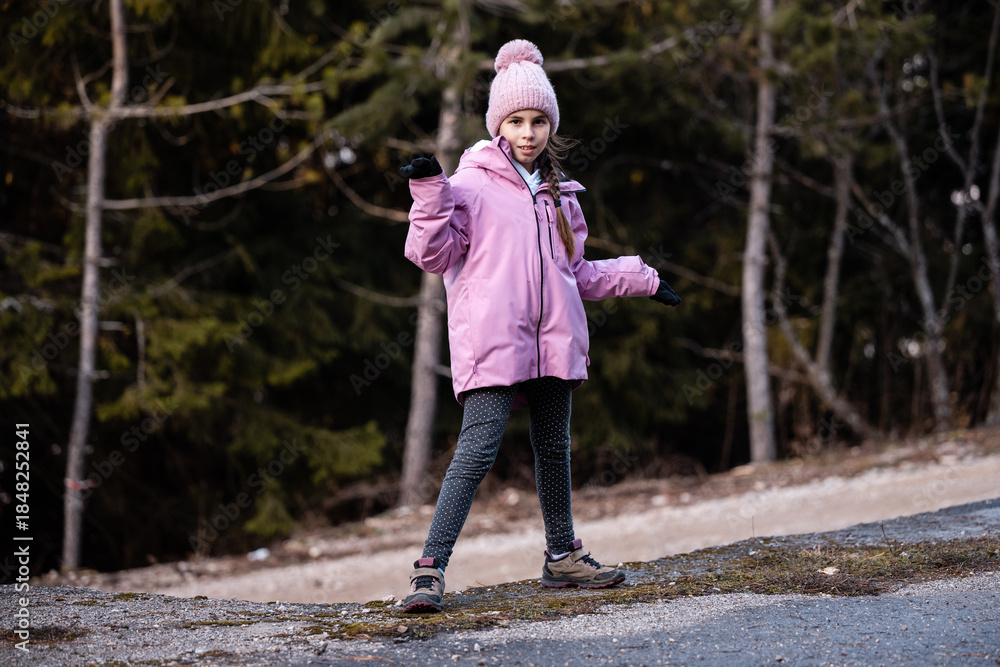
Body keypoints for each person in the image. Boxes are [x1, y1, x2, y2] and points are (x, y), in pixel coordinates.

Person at [398, 39, 681, 614]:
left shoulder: (560, 197)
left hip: (553, 345)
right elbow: (431, 255)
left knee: (554, 448)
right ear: (498, 124)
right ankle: (429, 570)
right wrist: (429, 192)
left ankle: (562, 556)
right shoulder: (469, 186)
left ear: (550, 125)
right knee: (477, 450)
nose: (528, 133)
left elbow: (577, 273)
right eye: (517, 121)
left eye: (538, 121)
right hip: (494, 343)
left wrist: (643, 278)